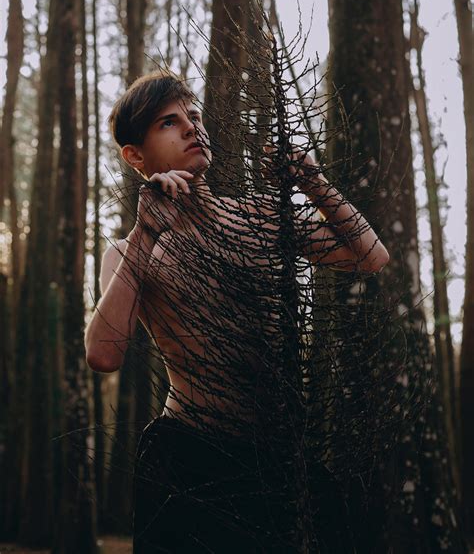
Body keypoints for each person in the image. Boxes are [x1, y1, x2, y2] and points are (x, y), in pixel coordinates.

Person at [85, 70, 389, 552]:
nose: (192, 127)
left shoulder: (262, 215)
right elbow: (104, 354)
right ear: (135, 156)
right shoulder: (130, 251)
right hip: (189, 458)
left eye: (194, 115)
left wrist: (313, 181)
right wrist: (146, 233)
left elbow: (369, 257)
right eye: (169, 122)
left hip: (279, 459)